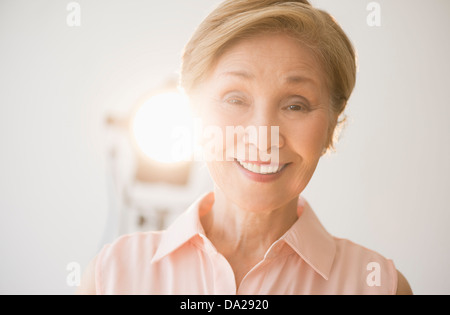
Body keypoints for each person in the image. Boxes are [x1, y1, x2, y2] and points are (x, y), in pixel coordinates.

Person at [77, 0, 412, 295]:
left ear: (332, 126)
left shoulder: (379, 286)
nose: (262, 136)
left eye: (295, 105)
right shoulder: (112, 278)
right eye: (235, 99)